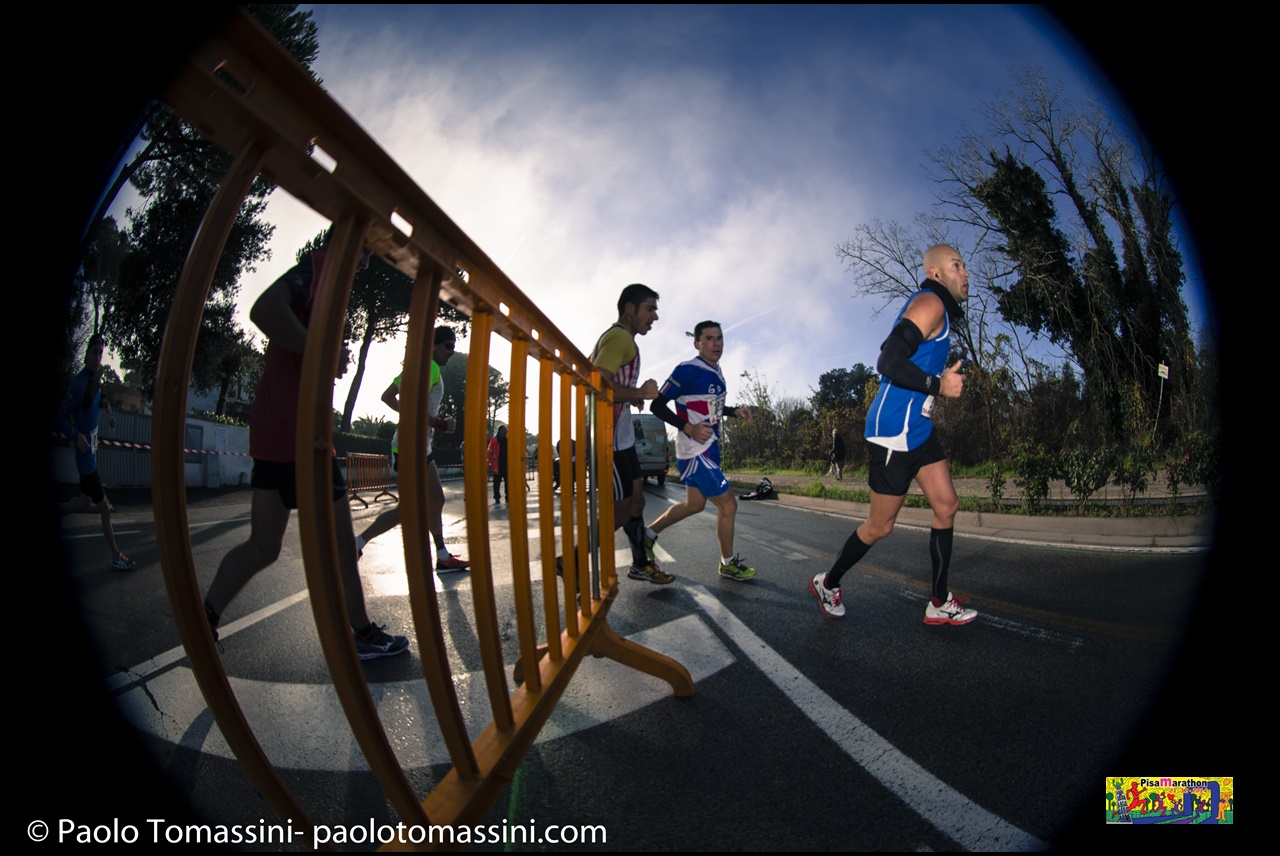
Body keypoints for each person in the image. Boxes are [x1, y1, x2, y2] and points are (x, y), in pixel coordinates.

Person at [202, 235, 409, 659]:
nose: (366, 264)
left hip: (275, 429)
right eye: (366, 251)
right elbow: (264, 310)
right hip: (301, 433)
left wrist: (330, 354)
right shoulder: (322, 266)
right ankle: (363, 634)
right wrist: (323, 351)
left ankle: (202, 619)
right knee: (341, 545)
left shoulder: (329, 286)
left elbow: (304, 345)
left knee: (263, 546)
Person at [808, 244, 977, 625]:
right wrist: (939, 385)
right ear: (936, 273)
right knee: (879, 527)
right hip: (892, 433)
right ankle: (827, 582)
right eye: (957, 266)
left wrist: (934, 384)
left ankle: (938, 602)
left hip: (917, 428)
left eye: (965, 266)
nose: (966, 273)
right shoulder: (930, 303)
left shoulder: (940, 310)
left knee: (946, 505)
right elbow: (887, 360)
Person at [645, 321, 756, 581]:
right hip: (696, 450)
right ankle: (727, 563)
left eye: (719, 338)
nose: (716, 343)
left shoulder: (717, 373)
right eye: (709, 338)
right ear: (697, 343)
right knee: (729, 504)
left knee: (694, 505)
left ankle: (647, 534)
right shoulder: (687, 370)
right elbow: (657, 406)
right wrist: (688, 428)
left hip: (709, 448)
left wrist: (734, 411)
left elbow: (712, 409)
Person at [354, 326, 469, 573]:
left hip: (419, 445)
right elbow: (412, 404)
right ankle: (357, 542)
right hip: (411, 445)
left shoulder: (416, 367)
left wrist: (411, 415)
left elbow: (388, 397)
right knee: (406, 509)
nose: (452, 351)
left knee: (436, 498)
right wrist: (440, 423)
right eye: (449, 346)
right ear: (433, 346)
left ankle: (442, 555)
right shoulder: (430, 367)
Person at [587, 283, 671, 584]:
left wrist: (629, 397)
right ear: (630, 309)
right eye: (650, 309)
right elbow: (596, 383)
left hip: (621, 438)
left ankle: (640, 564)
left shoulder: (621, 339)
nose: (655, 317)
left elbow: (608, 383)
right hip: (606, 438)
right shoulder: (620, 337)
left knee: (637, 502)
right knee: (622, 512)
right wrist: (638, 392)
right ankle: (570, 560)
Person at [56, 334, 135, 571]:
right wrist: (74, 435)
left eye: (101, 353)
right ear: (87, 354)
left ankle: (58, 511)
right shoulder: (78, 383)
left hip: (91, 454)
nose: (98, 357)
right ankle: (116, 556)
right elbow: (60, 417)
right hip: (86, 461)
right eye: (94, 352)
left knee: (83, 504)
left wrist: (105, 403)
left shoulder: (94, 380)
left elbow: (93, 399)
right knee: (105, 509)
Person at [487, 425, 509, 504]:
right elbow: (489, 452)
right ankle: (497, 497)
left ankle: (508, 496)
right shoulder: (494, 440)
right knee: (497, 482)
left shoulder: (507, 440)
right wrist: (488, 464)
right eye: (504, 430)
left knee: (507, 482)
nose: (506, 431)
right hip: (497, 465)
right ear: (500, 431)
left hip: (506, 465)